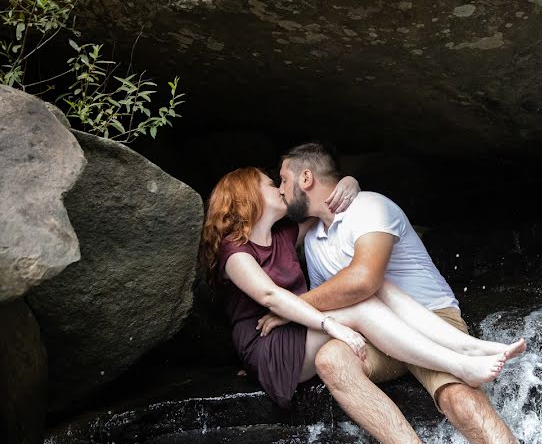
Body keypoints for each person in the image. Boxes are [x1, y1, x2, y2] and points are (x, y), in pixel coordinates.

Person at [277, 142, 533, 444]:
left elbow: (364, 280)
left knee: (460, 402)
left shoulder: (369, 206)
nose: (280, 190)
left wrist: (291, 310)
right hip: (374, 333)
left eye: (283, 180)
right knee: (330, 359)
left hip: (428, 318)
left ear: (307, 178)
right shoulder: (312, 235)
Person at [198, 167, 521, 418]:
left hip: (296, 326)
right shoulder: (235, 252)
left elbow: (327, 208)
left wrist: (351, 182)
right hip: (269, 346)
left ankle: (472, 346)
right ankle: (458, 364)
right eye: (270, 183)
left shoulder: (284, 235)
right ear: (246, 197)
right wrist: (331, 325)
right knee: (361, 305)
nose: (280, 188)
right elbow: (270, 297)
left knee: (378, 286)